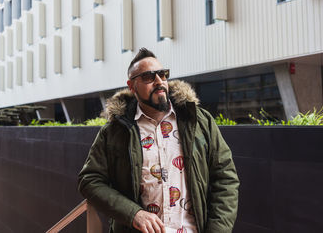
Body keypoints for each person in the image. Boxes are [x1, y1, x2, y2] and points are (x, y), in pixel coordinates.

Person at [78, 48, 239, 233]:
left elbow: (226, 178)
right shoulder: (115, 131)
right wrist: (133, 214)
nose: (159, 81)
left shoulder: (199, 121)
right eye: (148, 77)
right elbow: (89, 180)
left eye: (162, 75)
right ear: (132, 86)